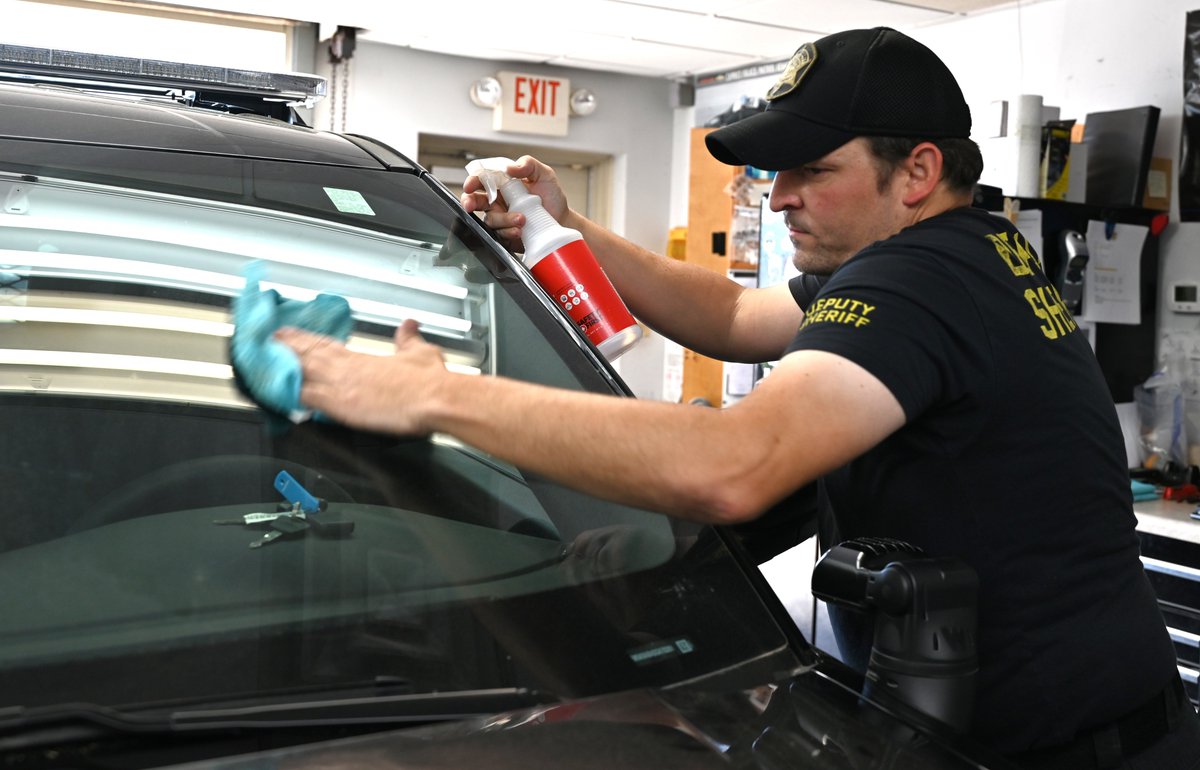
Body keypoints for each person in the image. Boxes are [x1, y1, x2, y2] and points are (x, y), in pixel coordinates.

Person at [277, 26, 1200, 768]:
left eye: (813, 171)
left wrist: (429, 398)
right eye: (776, 170)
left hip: (1060, 748)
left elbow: (732, 469)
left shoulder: (915, 282)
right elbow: (728, 311)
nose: (779, 195)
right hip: (1080, 720)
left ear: (916, 173)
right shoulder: (971, 252)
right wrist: (561, 226)